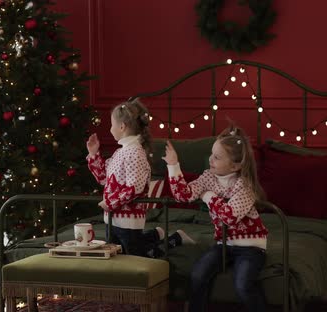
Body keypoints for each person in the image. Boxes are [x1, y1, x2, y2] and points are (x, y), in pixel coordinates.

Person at [162, 125, 268, 312]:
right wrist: (173, 165)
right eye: (211, 153)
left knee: (242, 284)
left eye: (217, 157)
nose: (210, 159)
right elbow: (183, 195)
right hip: (223, 244)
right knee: (198, 275)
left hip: (251, 247)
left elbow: (229, 217)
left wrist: (207, 196)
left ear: (235, 165)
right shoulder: (208, 177)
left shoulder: (245, 186)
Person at [86, 99, 194, 257]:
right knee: (118, 255)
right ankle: (156, 234)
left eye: (112, 125)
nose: (110, 129)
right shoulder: (120, 152)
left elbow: (135, 188)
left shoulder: (135, 153)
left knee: (139, 256)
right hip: (112, 218)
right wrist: (93, 154)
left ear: (122, 127)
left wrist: (110, 202)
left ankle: (176, 238)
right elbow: (103, 178)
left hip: (127, 219)